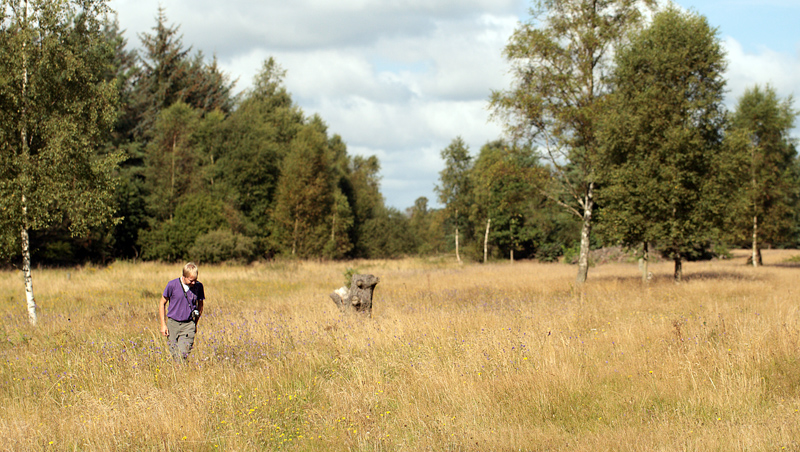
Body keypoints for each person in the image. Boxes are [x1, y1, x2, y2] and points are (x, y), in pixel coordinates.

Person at [159, 262, 205, 361]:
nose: (194, 283)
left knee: (182, 354)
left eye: (195, 280)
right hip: (173, 324)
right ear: (184, 276)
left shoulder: (199, 286)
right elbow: (162, 303)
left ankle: (181, 373)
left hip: (188, 325)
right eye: (191, 280)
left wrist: (195, 324)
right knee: (175, 355)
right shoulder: (172, 285)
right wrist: (163, 324)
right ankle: (179, 374)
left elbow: (200, 305)